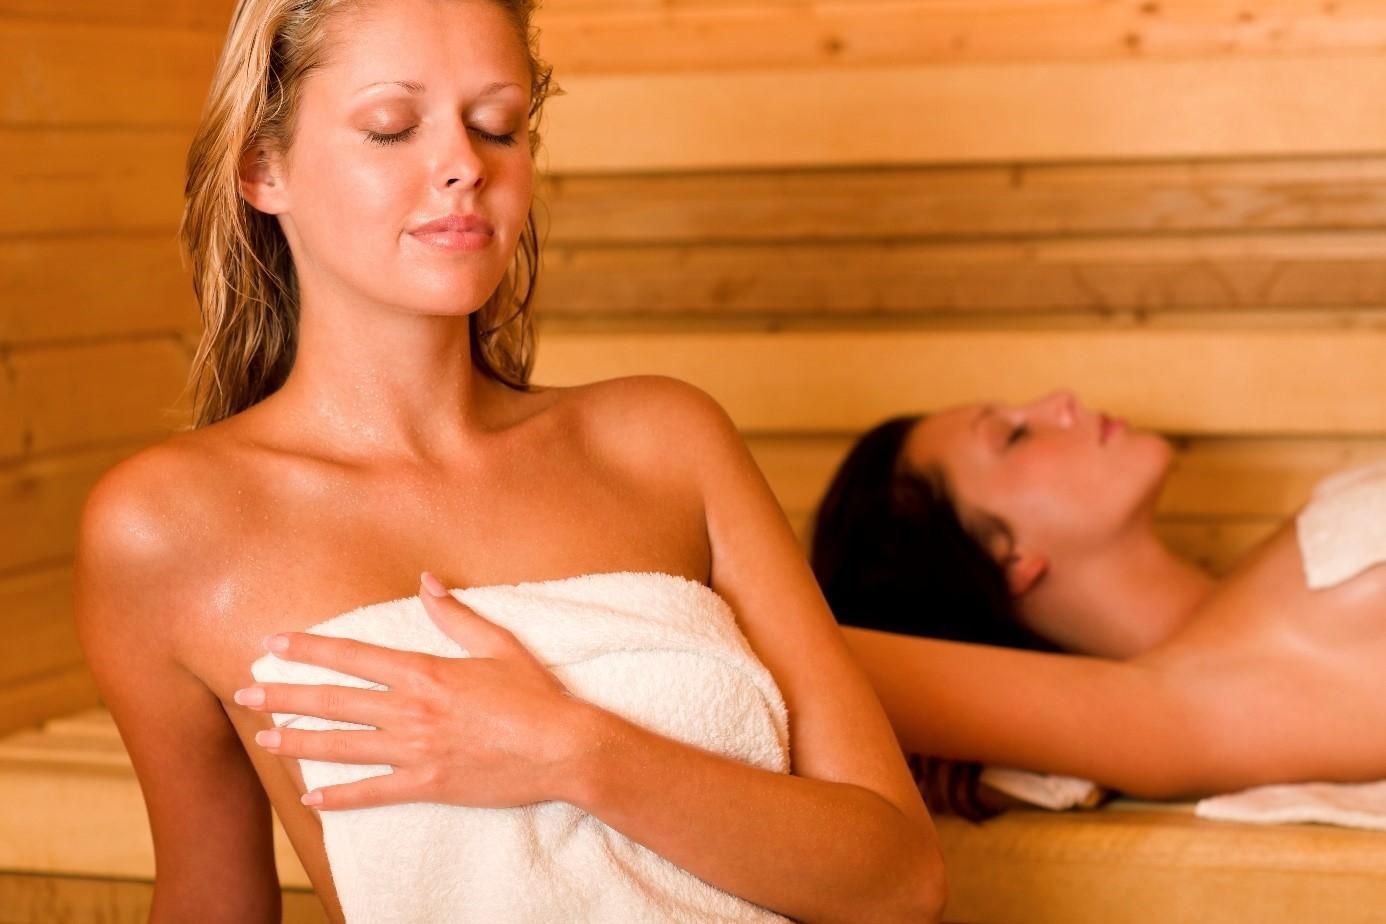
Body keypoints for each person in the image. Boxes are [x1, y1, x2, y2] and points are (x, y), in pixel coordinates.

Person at [72, 1, 946, 922]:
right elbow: (211, 902)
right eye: (391, 127)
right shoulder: (169, 530)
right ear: (264, 168)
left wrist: (572, 751)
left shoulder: (664, 444)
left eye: (496, 125)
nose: (465, 164)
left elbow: (900, 883)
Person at [810, 390, 1386, 815]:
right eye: (1013, 436)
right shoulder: (1181, 707)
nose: (1061, 401)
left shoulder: (1255, 585)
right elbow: (820, 660)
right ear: (1007, 559)